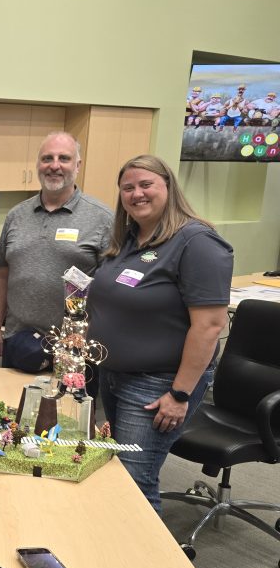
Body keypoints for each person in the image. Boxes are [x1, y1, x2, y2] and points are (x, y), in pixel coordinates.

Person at [89, 155, 232, 512]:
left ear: (168, 187)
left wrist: (179, 394)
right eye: (128, 187)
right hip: (115, 375)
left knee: (136, 482)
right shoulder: (130, 238)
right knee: (118, 472)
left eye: (146, 184)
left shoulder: (197, 242)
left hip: (159, 384)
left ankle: (146, 565)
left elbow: (211, 325)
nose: (136, 194)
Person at [0, 133, 112, 372]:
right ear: (37, 165)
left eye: (64, 158)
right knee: (14, 405)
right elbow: (2, 272)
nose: (54, 165)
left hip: (75, 346)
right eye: (47, 158)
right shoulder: (17, 215)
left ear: (77, 165)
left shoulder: (102, 218)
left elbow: (110, 289)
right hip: (19, 341)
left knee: (67, 409)